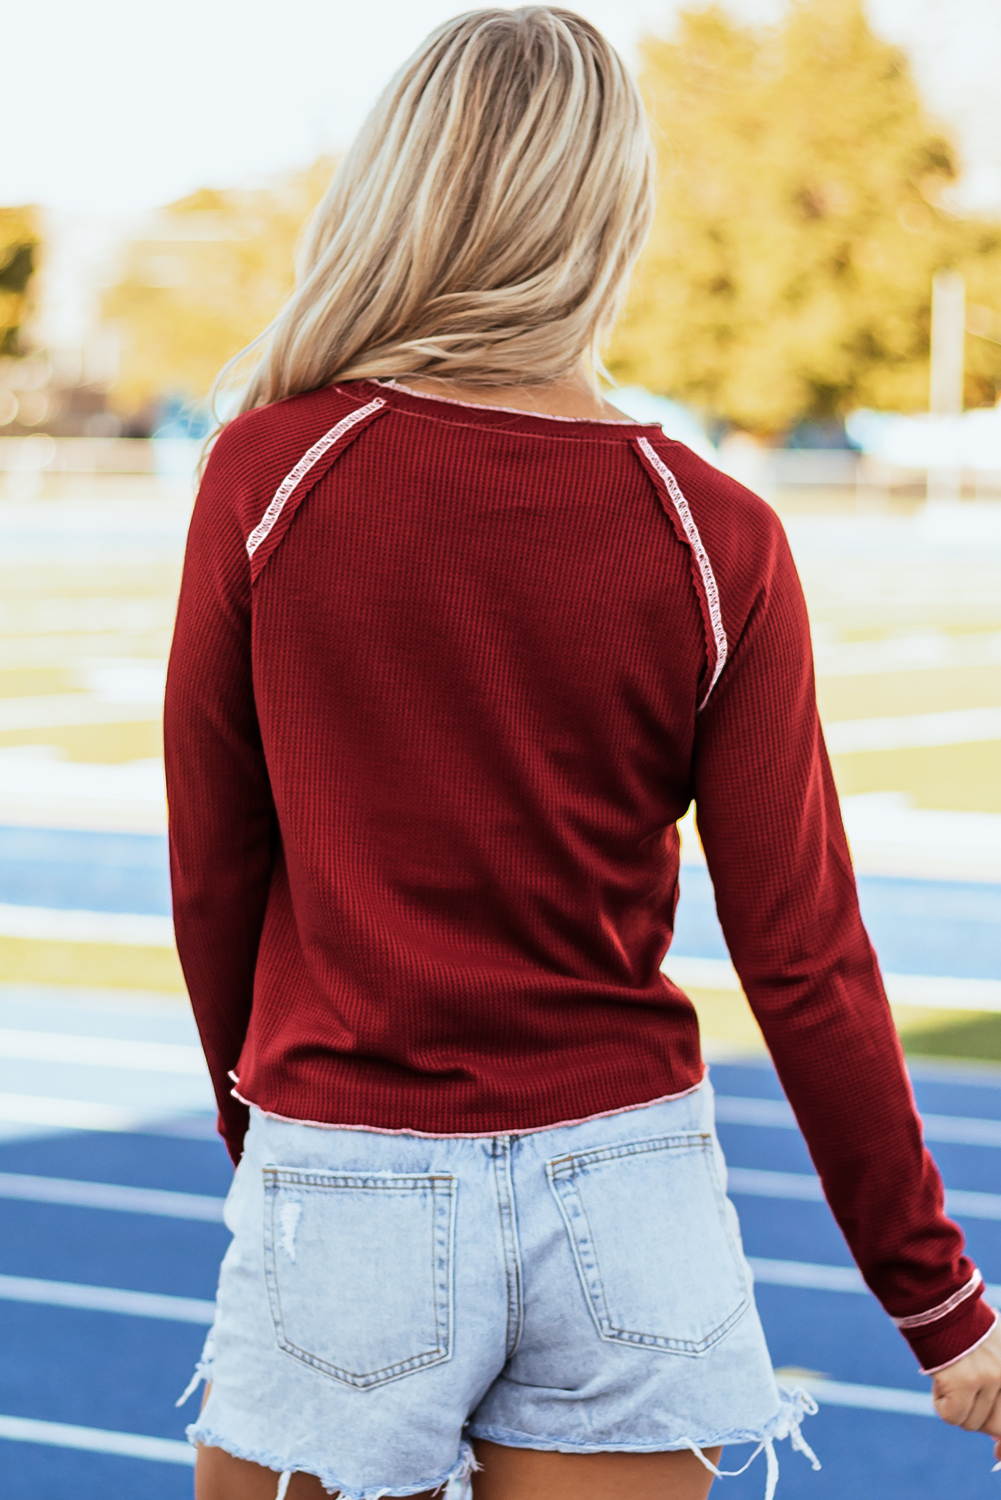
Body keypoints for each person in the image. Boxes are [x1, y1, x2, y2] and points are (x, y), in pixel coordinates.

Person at [164, 9, 1001, 1499]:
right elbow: (803, 951)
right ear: (608, 212)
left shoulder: (268, 474)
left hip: (352, 1163)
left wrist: (265, 1131)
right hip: (632, 1196)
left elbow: (215, 864)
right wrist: (938, 1306)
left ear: (398, 191)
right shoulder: (711, 532)